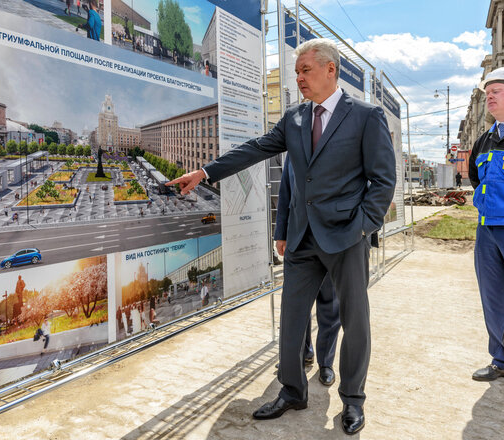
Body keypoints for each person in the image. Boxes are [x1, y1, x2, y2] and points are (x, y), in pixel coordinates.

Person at [167, 38, 396, 435]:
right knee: (291, 319)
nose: (299, 79)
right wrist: (205, 173)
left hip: (346, 237)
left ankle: (353, 400)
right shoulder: (294, 118)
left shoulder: (365, 116)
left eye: (305, 70)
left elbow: (383, 180)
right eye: (297, 72)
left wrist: (362, 226)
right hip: (302, 238)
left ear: (330, 70)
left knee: (355, 322)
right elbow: (256, 148)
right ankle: (292, 390)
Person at [275, 155, 341, 382]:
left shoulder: (338, 139)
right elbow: (285, 191)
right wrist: (281, 233)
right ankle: (301, 354)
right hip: (299, 239)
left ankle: (326, 363)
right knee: (296, 307)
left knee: (329, 305)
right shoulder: (294, 146)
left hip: (332, 239)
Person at [468, 67, 504, 382]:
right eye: (487, 93)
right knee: (493, 296)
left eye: (496, 90)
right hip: (488, 229)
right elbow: (474, 176)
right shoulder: (485, 139)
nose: (490, 97)